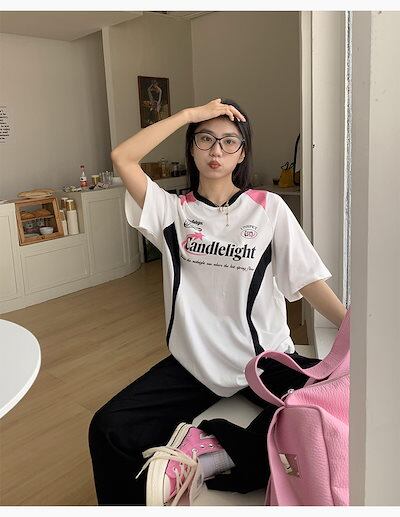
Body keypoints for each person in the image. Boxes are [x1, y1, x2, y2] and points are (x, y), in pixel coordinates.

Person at [88, 98, 347, 506]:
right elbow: (123, 157)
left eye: (229, 142)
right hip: (194, 364)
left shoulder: (267, 208)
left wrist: (353, 327)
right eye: (205, 139)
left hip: (262, 361)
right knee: (108, 428)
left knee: (340, 395)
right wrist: (188, 115)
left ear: (242, 153)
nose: (216, 150)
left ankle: (219, 455)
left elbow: (308, 280)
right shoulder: (172, 212)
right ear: (192, 148)